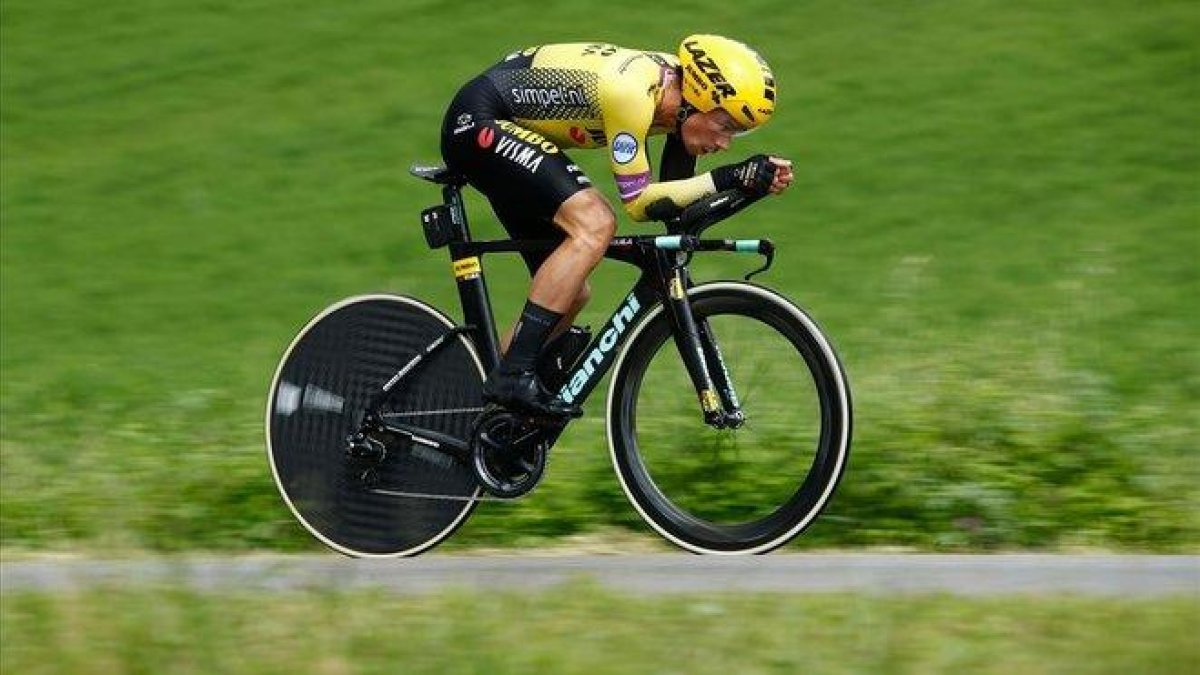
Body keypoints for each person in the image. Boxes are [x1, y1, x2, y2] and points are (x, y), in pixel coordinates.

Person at [439, 35, 794, 417]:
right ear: (697, 100)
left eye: (737, 133)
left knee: (571, 294)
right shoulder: (632, 93)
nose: (725, 143)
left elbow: (674, 210)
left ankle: (474, 412)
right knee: (595, 222)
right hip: (479, 122)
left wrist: (749, 186)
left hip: (509, 131)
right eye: (725, 125)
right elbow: (639, 204)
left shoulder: (677, 102)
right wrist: (727, 176)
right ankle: (512, 375)